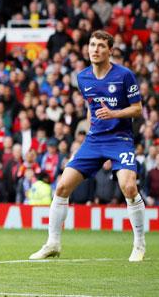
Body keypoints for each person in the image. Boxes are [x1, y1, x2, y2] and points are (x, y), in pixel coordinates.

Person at [30, 30, 146, 262]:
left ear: (110, 50)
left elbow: (137, 109)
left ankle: (139, 244)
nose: (95, 49)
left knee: (129, 187)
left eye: (101, 46)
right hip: (94, 139)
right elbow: (91, 107)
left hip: (119, 139)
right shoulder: (82, 77)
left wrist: (114, 113)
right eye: (92, 45)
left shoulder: (124, 75)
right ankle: (52, 243)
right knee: (62, 187)